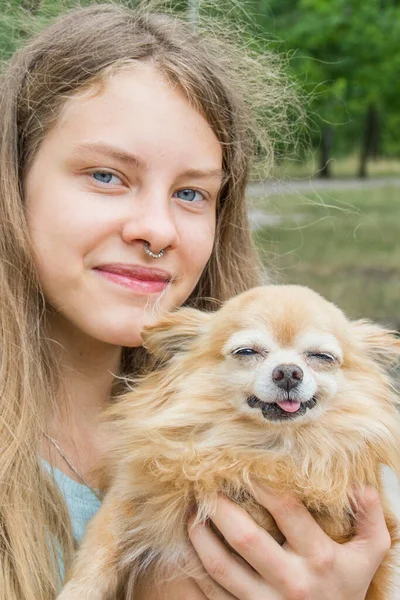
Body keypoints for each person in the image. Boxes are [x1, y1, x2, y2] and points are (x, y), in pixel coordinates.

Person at [0, 2, 392, 599]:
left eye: (191, 192)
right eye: (107, 175)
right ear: (13, 182)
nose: (157, 229)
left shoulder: (338, 451)